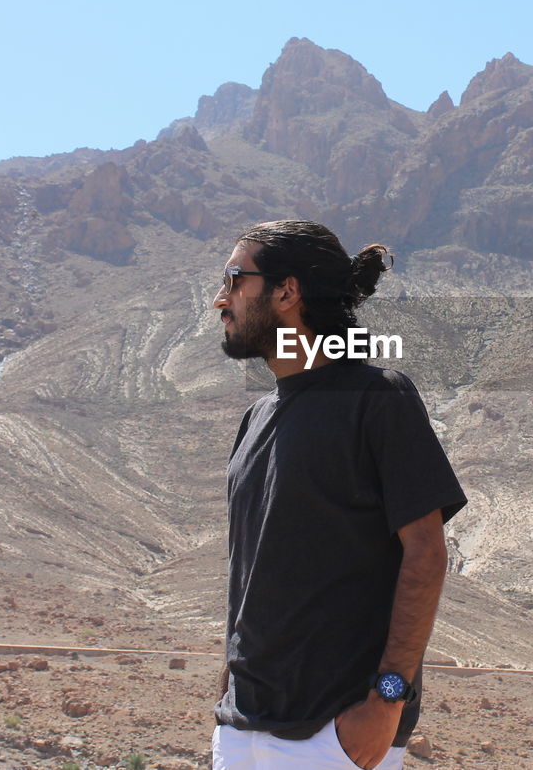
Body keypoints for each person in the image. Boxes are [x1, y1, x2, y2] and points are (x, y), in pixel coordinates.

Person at [210, 220, 467, 770]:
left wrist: (387, 702)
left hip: (333, 735)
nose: (220, 300)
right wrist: (227, 685)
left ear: (286, 291)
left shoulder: (377, 398)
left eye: (235, 279)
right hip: (241, 727)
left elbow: (426, 553)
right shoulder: (257, 417)